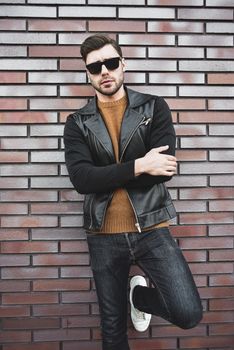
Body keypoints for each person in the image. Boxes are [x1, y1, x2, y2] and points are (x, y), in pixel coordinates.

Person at [63, 34, 203, 350]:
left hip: (152, 229)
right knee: (112, 333)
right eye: (95, 67)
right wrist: (140, 165)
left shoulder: (153, 108)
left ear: (123, 64)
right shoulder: (77, 123)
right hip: (102, 236)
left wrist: (106, 175)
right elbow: (82, 180)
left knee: (188, 311)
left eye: (111, 63)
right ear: (88, 73)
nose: (104, 72)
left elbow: (163, 170)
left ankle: (138, 296)